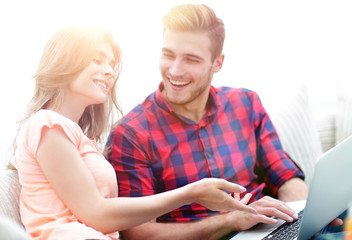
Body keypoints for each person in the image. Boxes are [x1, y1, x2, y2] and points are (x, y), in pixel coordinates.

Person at [10, 26, 255, 240]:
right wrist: (192, 193)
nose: (108, 71)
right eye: (97, 60)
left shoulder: (80, 138)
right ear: (66, 61)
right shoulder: (47, 123)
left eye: (111, 64)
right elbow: (97, 214)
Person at [105, 4, 312, 240]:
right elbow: (138, 234)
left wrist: (306, 217)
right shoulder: (131, 133)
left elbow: (285, 177)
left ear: (218, 63)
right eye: (168, 55)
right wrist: (229, 222)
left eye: (191, 60)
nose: (174, 70)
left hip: (268, 231)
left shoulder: (246, 104)